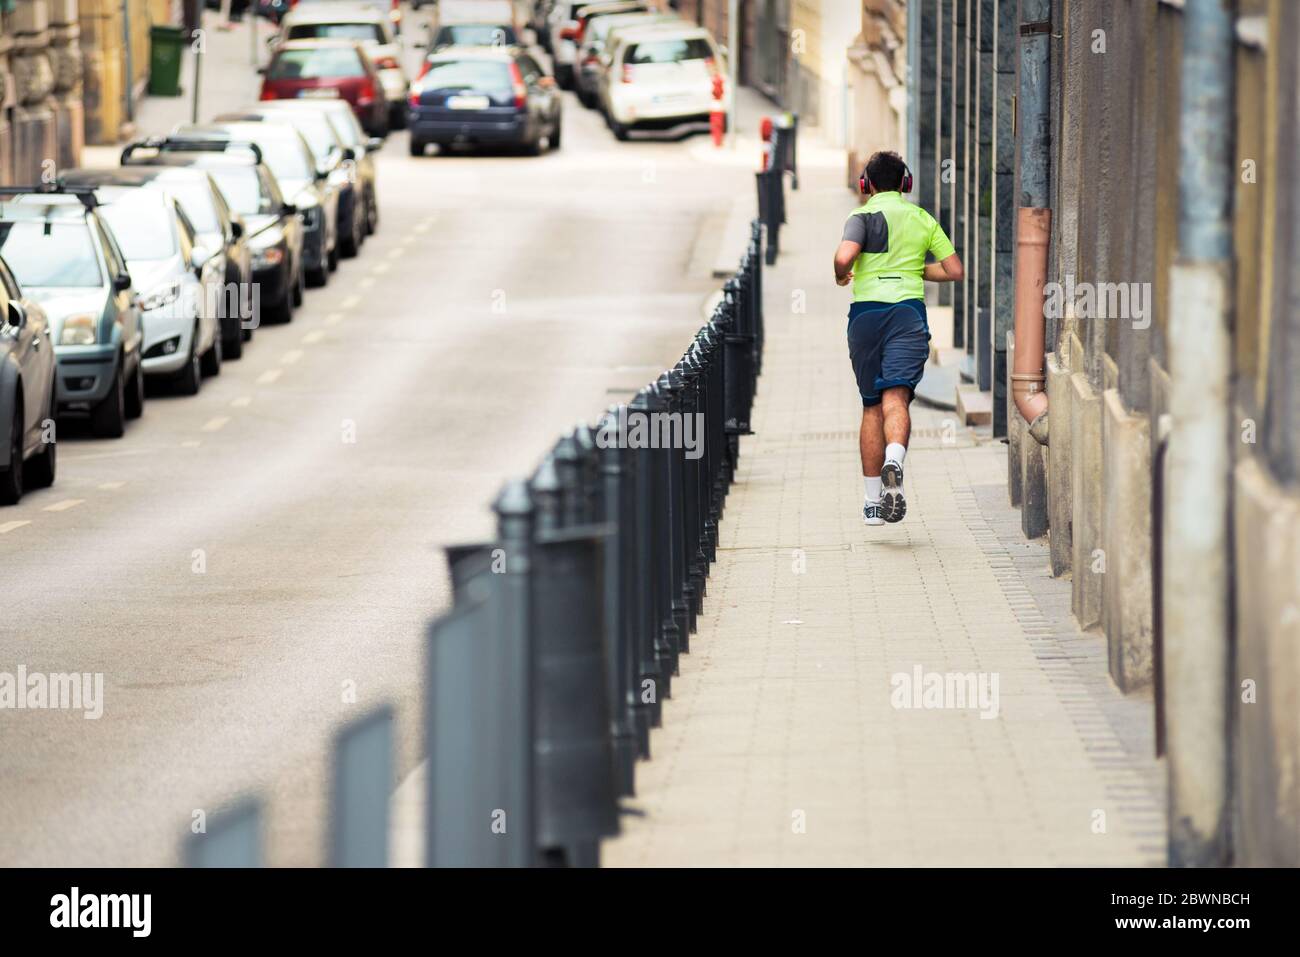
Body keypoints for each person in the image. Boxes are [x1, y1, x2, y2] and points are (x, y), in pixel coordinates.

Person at [833, 151, 964, 526]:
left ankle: (873, 505)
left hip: (866, 316)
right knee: (897, 398)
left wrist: (841, 274)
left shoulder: (860, 217)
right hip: (907, 313)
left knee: (871, 405)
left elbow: (845, 257)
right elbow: (955, 270)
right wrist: (913, 270)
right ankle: (895, 459)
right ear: (906, 184)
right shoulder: (922, 217)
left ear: (866, 185)